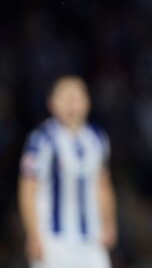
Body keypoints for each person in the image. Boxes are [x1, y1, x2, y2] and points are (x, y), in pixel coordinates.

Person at [18, 76, 117, 268]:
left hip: (91, 239)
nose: (71, 103)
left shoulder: (97, 139)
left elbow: (103, 185)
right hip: (53, 241)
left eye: (76, 97)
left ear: (87, 102)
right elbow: (28, 189)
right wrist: (32, 234)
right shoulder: (41, 140)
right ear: (52, 103)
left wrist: (109, 223)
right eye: (65, 98)